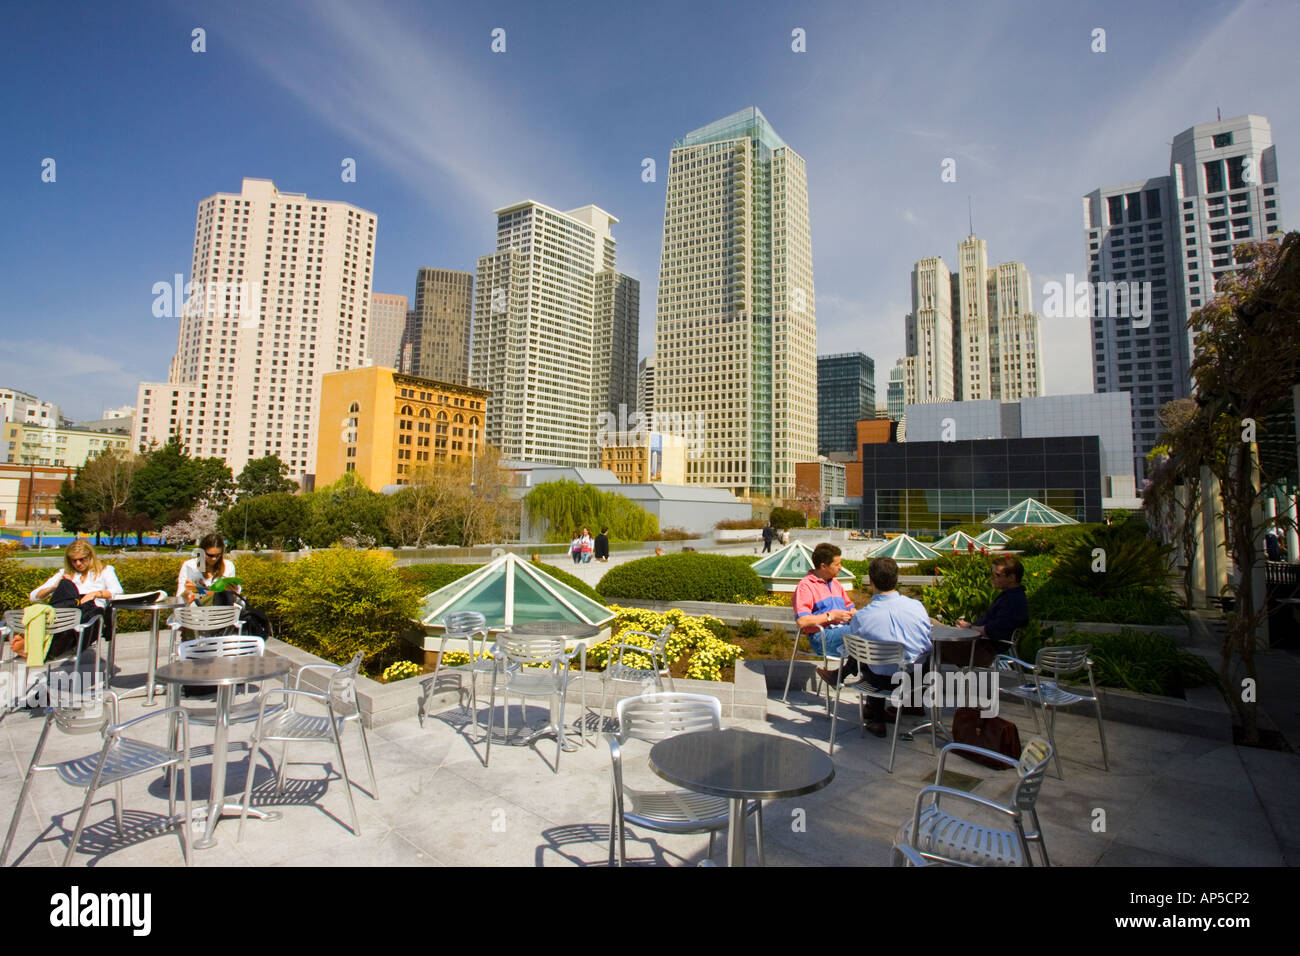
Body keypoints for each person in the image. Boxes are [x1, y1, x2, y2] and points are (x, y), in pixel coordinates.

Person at [817, 556, 932, 737]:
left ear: (871, 581)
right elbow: (926, 641)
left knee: (866, 653)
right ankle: (913, 704)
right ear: (897, 578)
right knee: (917, 654)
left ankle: (877, 718)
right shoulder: (916, 607)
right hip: (915, 680)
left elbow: (851, 650)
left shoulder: (863, 617)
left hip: (880, 683)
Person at [29, 539, 123, 651]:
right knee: (65, 585)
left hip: (90, 612)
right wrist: (54, 587)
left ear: (90, 557)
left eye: (82, 559)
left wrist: (94, 594)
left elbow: (117, 591)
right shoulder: (65, 573)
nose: (78, 564)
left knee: (67, 599)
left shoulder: (104, 571)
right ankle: (36, 647)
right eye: (74, 561)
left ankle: (33, 648)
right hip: (68, 613)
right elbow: (34, 596)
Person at [957, 553, 1029, 660]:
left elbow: (995, 630)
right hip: (980, 644)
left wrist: (969, 628)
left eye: (997, 575)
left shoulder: (1012, 600)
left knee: (932, 647)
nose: (992, 578)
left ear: (1012, 578)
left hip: (984, 650)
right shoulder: (1010, 596)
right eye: (992, 574)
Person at [793, 543, 855, 666]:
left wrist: (854, 613)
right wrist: (831, 616)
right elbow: (802, 621)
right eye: (837, 564)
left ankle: (847, 674)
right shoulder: (805, 587)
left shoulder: (836, 584)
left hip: (843, 631)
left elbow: (851, 607)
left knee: (871, 626)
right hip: (822, 637)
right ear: (823, 566)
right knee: (865, 630)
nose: (840, 567)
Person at [177, 533, 240, 604]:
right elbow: (180, 597)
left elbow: (231, 599)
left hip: (221, 611)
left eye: (218, 555)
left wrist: (234, 591)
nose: (214, 559)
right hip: (195, 612)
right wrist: (188, 591)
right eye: (210, 555)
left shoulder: (228, 566)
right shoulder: (189, 565)